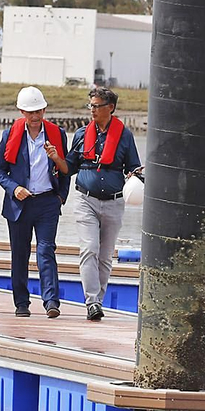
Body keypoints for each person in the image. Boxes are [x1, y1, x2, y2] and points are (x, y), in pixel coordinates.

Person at [65, 86, 142, 321]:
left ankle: (97, 299)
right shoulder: (80, 135)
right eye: (90, 106)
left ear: (110, 108)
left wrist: (135, 177)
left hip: (114, 202)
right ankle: (92, 302)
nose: (92, 110)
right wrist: (55, 161)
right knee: (89, 248)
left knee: (106, 255)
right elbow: (69, 167)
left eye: (97, 106)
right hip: (85, 199)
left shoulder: (125, 136)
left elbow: (134, 167)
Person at [0, 85, 70, 317]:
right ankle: (21, 303)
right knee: (19, 253)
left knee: (46, 251)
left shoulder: (58, 134)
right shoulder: (9, 136)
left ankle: (51, 302)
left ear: (45, 109)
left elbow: (65, 168)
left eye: (39, 111)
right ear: (21, 112)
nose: (35, 116)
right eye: (30, 112)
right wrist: (14, 188)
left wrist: (60, 197)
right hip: (19, 204)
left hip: (47, 202)